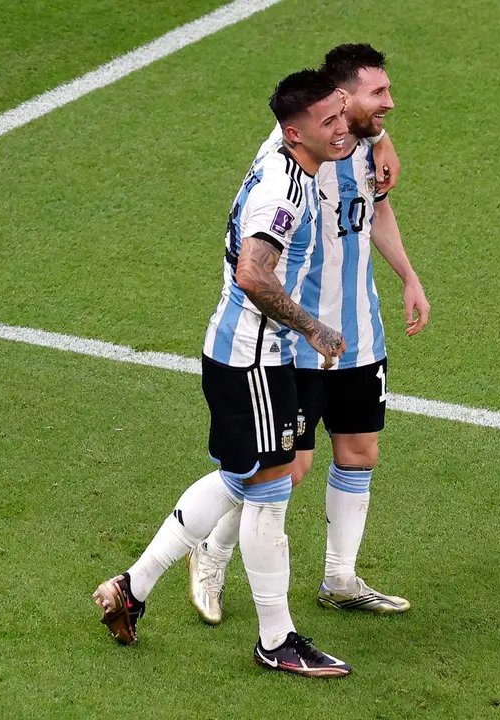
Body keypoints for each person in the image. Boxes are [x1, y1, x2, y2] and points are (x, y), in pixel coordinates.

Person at [93, 69, 354, 678]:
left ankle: (133, 586)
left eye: (342, 116)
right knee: (268, 495)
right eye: (329, 122)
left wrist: (347, 103)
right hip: (252, 360)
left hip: (257, 356)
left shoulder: (286, 156)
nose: (341, 130)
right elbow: (253, 274)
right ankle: (276, 639)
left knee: (243, 480)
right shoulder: (283, 196)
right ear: (295, 133)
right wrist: (313, 327)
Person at [188, 44, 430, 626]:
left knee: (359, 451)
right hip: (302, 339)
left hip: (360, 331)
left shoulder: (364, 138)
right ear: (341, 100)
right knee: (284, 466)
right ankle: (210, 551)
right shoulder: (296, 149)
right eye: (379, 95)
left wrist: (408, 276)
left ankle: (340, 578)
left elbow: (377, 207)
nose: (389, 105)